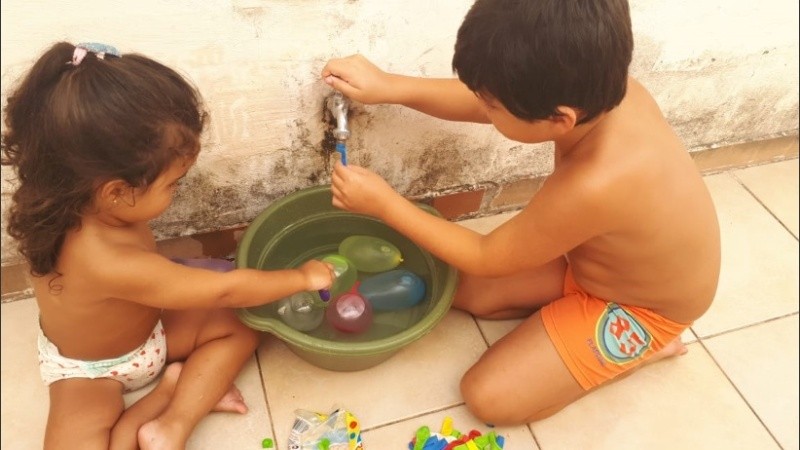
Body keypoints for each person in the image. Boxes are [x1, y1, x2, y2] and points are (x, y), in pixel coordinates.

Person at [321, 0, 720, 426]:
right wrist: (391, 86)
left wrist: (386, 204)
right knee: (461, 287)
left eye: (493, 107)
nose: (484, 109)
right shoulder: (596, 86)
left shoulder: (597, 183)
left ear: (558, 118)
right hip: (592, 266)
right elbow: (491, 100)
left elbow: (487, 255)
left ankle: (642, 351)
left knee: (490, 397)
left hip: (639, 308)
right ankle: (567, 309)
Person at [1, 42, 335, 450]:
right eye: (172, 184)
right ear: (117, 192)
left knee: (245, 324)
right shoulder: (106, 260)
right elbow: (225, 290)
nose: (176, 191)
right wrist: (301, 277)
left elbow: (179, 285)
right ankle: (166, 398)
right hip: (87, 372)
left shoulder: (61, 196)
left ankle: (172, 424)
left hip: (151, 330)